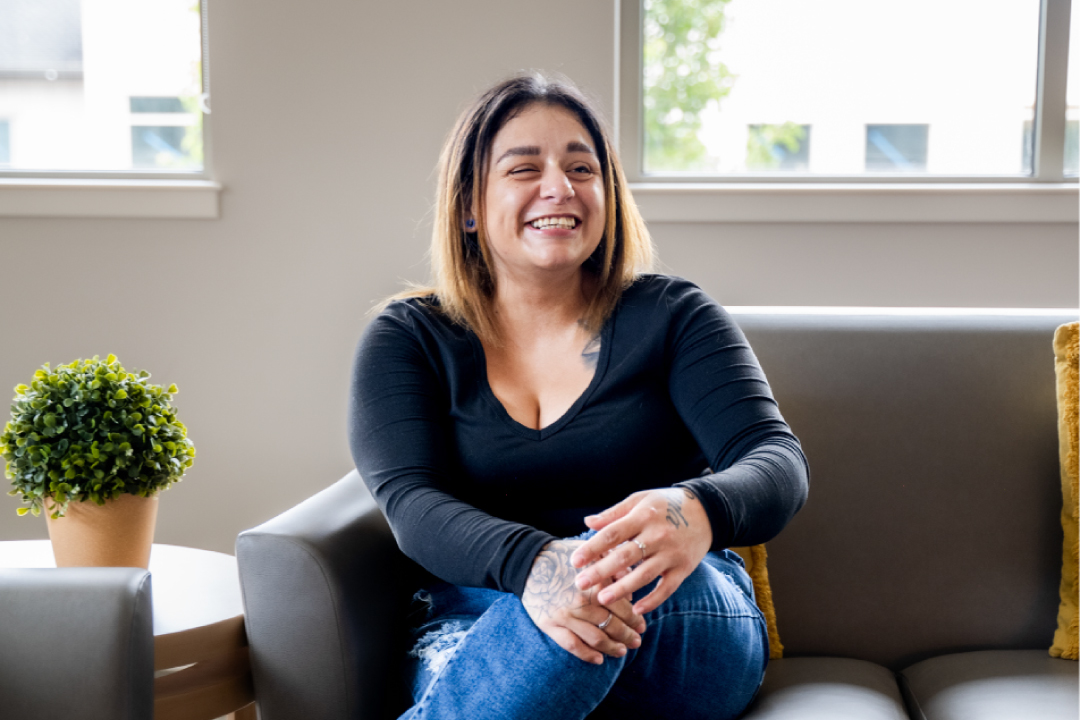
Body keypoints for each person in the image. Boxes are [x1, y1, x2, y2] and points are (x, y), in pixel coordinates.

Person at [348, 72, 809, 720]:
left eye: (581, 168)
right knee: (561, 621)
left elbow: (777, 460)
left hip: (676, 605)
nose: (560, 188)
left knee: (603, 586)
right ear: (468, 206)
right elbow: (410, 502)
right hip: (483, 612)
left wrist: (698, 509)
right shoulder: (409, 337)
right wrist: (537, 566)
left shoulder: (675, 315)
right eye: (524, 168)